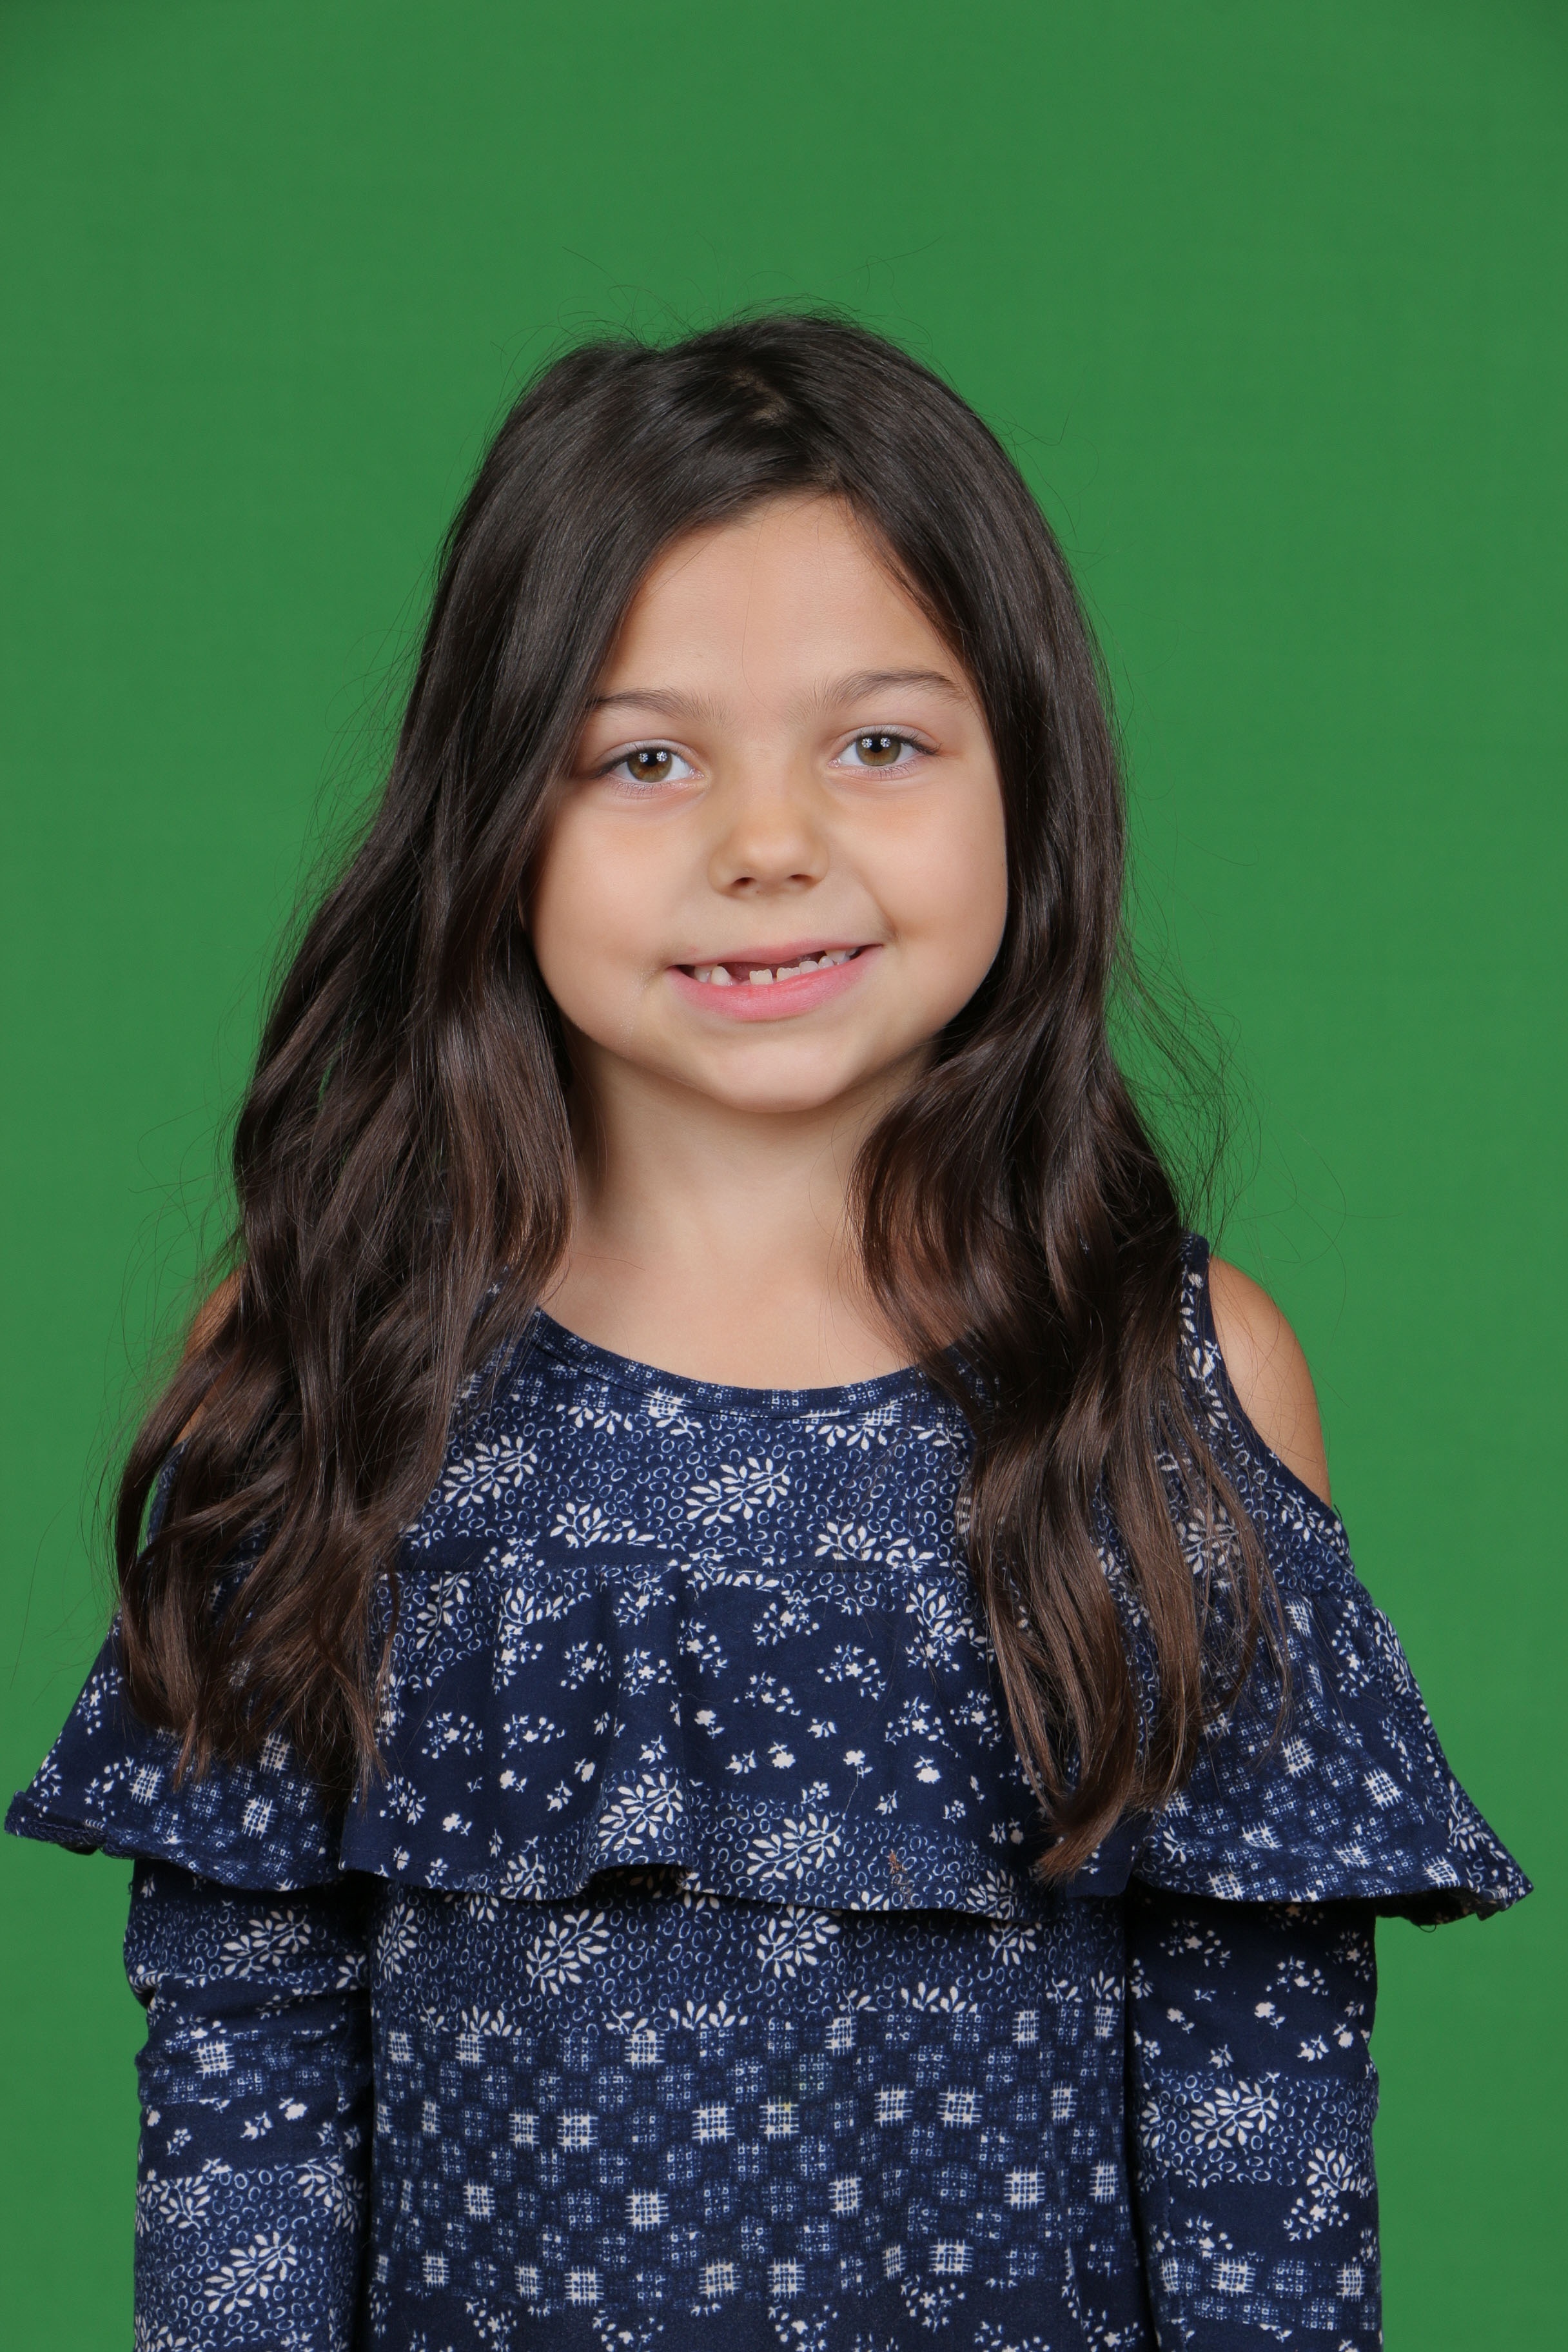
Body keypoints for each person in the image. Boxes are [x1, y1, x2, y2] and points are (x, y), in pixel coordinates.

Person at [8, 315, 1527, 2351]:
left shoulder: (1174, 1389)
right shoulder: (335, 1364)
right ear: (497, 816)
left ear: (1030, 774)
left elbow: (1265, 2140)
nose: (768, 845)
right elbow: (242, 2103)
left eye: (878, 744)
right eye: (645, 759)